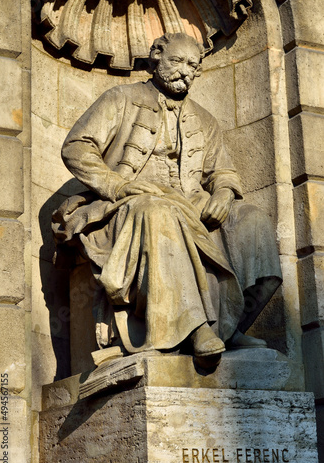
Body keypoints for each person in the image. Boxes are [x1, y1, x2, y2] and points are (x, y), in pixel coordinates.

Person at [52, 32, 282, 364]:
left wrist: (222, 192)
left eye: (192, 65)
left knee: (252, 221)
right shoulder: (120, 98)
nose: (185, 71)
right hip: (126, 202)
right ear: (156, 56)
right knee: (157, 213)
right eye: (177, 61)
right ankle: (195, 328)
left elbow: (222, 171)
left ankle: (228, 325)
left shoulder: (204, 119)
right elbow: (77, 147)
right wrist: (117, 186)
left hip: (191, 202)